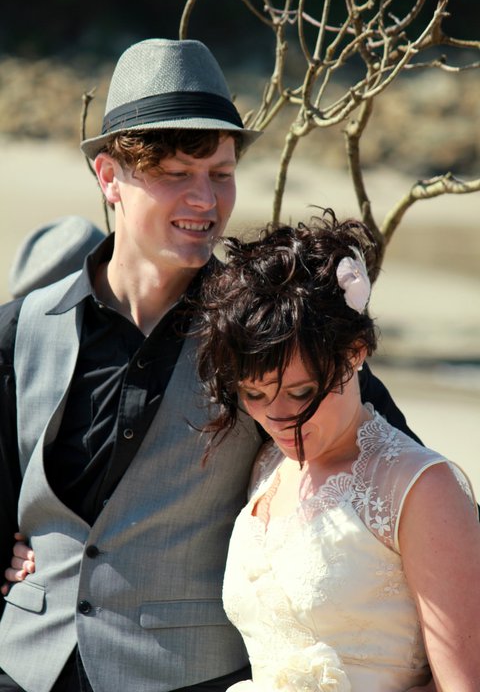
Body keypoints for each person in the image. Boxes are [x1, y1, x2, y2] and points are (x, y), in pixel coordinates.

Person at [0, 37, 420, 692]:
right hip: (20, 668)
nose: (206, 200)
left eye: (220, 174)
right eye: (176, 175)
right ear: (110, 177)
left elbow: (393, 467)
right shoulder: (22, 331)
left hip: (187, 677)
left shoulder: (267, 329)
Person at [194, 213, 480, 692]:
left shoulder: (421, 487)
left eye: (302, 393)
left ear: (355, 352)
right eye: (255, 395)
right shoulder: (267, 467)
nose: (279, 418)